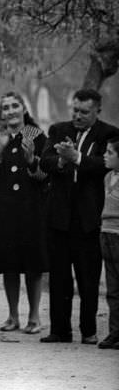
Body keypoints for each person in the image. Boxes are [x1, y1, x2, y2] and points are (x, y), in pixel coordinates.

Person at [40, 89, 119, 344]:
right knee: (59, 276)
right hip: (59, 215)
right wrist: (62, 161)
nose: (78, 116)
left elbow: (104, 164)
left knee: (88, 277)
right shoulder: (58, 130)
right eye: (75, 110)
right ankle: (59, 330)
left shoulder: (109, 134)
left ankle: (88, 330)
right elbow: (45, 161)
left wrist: (77, 158)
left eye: (84, 112)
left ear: (98, 110)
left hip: (89, 217)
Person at [0, 92, 48, 335]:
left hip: (31, 209)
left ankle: (34, 317)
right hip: (5, 211)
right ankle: (12, 316)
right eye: (6, 107)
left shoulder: (36, 135)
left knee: (33, 265)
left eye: (14, 106)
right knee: (9, 264)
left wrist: (32, 159)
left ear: (24, 108)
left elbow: (45, 174)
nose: (10, 111)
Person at [99, 137, 119, 349]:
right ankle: (115, 332)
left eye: (110, 152)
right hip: (106, 235)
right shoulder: (107, 178)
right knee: (112, 289)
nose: (105, 155)